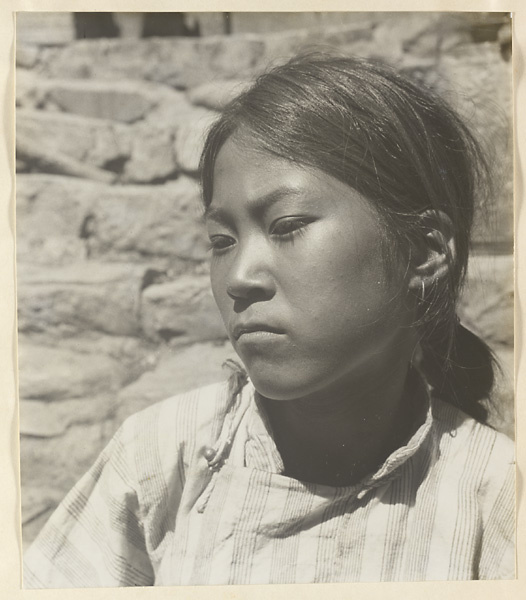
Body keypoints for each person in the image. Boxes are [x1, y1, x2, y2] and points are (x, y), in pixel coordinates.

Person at [23, 53, 515, 587]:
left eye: (287, 226)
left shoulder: (494, 497)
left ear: (422, 253)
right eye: (220, 241)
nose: (239, 276)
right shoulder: (158, 460)